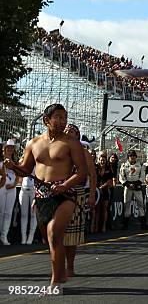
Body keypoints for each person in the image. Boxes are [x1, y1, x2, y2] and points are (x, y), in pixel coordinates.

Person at [3, 103, 86, 285]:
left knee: (54, 233)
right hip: (41, 195)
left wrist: (65, 185)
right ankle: (61, 273)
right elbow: (25, 170)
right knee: (51, 240)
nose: (62, 121)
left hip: (65, 195)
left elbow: (82, 172)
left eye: (64, 117)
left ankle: (55, 282)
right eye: (57, 117)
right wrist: (13, 166)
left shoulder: (71, 143)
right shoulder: (33, 143)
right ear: (46, 120)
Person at [63, 123, 97, 277]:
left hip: (76, 193)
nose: (68, 132)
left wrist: (91, 195)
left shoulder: (84, 153)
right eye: (66, 131)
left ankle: (69, 266)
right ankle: (58, 265)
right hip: (57, 193)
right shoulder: (57, 149)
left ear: (77, 135)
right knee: (57, 232)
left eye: (72, 131)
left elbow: (92, 175)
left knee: (72, 232)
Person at [118, 150, 148, 230]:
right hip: (128, 187)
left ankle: (143, 224)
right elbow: (121, 177)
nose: (132, 157)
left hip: (137, 186)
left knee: (141, 204)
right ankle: (125, 224)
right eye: (130, 156)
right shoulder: (124, 165)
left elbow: (142, 177)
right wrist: (128, 185)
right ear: (128, 157)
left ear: (136, 156)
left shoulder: (140, 165)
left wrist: (135, 185)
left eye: (134, 155)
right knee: (126, 204)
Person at [0, 139, 18, 245]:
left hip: (12, 188)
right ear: (4, 148)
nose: (10, 149)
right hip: (2, 187)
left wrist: (14, 184)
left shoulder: (15, 160)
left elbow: (19, 174)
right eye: (8, 147)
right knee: (1, 212)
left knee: (8, 213)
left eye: (12, 147)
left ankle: (4, 236)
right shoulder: (1, 159)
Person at [18, 167, 37, 244]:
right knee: (24, 215)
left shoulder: (37, 162)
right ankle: (23, 238)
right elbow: (19, 176)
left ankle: (30, 237)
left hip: (34, 190)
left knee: (33, 214)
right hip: (24, 190)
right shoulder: (24, 161)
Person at [96, 152, 115, 233]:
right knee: (97, 210)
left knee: (104, 209)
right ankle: (95, 227)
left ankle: (104, 226)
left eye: (104, 160)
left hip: (105, 191)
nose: (102, 162)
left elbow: (110, 181)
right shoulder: (96, 168)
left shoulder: (108, 169)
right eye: (101, 160)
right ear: (99, 160)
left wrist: (103, 186)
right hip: (96, 191)